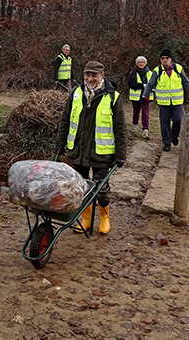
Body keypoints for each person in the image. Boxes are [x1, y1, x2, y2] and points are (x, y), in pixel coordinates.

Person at [55, 61, 127, 235]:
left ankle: (104, 217)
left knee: (101, 189)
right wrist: (59, 144)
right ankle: (85, 218)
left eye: (94, 75)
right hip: (78, 150)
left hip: (102, 153)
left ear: (102, 75)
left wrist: (121, 154)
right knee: (81, 188)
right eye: (87, 75)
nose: (90, 78)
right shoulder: (76, 93)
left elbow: (120, 128)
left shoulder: (112, 97)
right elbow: (66, 121)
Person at [141, 49, 189, 151]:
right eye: (162, 58)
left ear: (170, 59)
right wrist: (143, 96)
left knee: (178, 120)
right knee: (164, 124)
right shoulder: (157, 71)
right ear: (160, 60)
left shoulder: (178, 69)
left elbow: (186, 82)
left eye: (166, 58)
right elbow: (150, 85)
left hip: (177, 102)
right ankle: (167, 143)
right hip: (163, 103)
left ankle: (174, 136)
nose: (165, 60)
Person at [127, 56, 152, 140]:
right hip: (136, 96)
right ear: (136, 63)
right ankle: (135, 126)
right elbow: (131, 84)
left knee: (145, 114)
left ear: (146, 63)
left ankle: (145, 130)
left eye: (142, 62)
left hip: (147, 96)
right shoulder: (133, 73)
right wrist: (142, 85)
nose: (141, 64)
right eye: (139, 62)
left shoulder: (150, 73)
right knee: (136, 112)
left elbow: (154, 83)